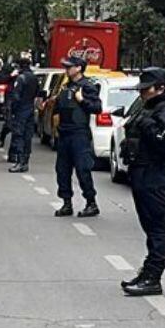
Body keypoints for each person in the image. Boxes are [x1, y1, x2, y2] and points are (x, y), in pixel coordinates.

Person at [118, 68, 165, 297]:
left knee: (156, 228)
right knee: (149, 226)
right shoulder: (149, 109)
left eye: (147, 89)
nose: (143, 93)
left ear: (161, 88)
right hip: (141, 173)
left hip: (155, 175)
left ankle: (153, 276)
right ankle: (147, 272)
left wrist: (147, 126)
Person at [52, 57, 101, 218]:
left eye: (69, 67)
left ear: (79, 68)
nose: (66, 69)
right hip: (64, 134)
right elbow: (59, 109)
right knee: (62, 170)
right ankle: (67, 203)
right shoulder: (66, 87)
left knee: (83, 169)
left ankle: (91, 203)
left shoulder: (87, 86)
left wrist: (82, 100)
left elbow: (97, 108)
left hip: (79, 134)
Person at [7, 54, 39, 173]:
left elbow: (16, 96)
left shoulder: (21, 78)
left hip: (21, 109)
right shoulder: (34, 78)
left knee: (19, 135)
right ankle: (25, 162)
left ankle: (20, 162)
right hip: (30, 108)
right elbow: (38, 92)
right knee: (28, 136)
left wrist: (13, 110)